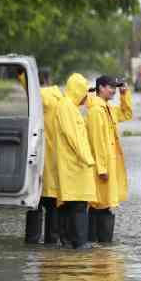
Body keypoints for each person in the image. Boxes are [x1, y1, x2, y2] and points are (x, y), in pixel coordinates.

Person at [85, 75, 132, 243]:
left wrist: (125, 94)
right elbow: (96, 142)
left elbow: (126, 114)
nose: (113, 91)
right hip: (101, 169)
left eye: (115, 87)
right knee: (98, 205)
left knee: (104, 204)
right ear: (100, 88)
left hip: (109, 166)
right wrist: (102, 168)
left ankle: (102, 247)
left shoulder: (108, 108)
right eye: (111, 87)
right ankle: (96, 244)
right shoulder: (96, 111)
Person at [54, 73, 97, 249]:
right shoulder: (67, 108)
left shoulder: (69, 106)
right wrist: (88, 159)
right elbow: (74, 138)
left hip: (74, 164)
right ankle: (79, 243)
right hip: (75, 165)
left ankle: (68, 242)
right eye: (84, 92)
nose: (86, 97)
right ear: (77, 91)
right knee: (79, 203)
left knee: (71, 203)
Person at [24, 70, 64, 245]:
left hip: (37, 157)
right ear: (50, 79)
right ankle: (51, 240)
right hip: (56, 159)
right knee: (53, 204)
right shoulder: (61, 99)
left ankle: (32, 240)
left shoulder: (36, 97)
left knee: (35, 202)